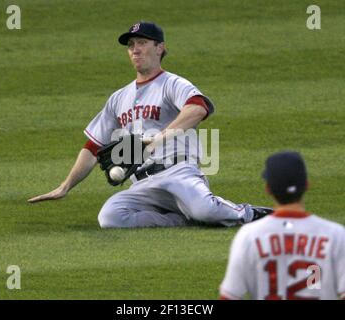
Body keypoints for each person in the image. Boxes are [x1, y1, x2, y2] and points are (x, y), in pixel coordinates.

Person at [28, 21, 272, 228]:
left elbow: (198, 108)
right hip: (143, 184)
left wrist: (158, 139)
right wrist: (65, 186)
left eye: (142, 43)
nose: (135, 50)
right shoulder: (118, 98)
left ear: (160, 48)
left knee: (206, 211)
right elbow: (93, 146)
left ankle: (247, 213)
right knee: (111, 217)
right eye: (131, 46)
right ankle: (182, 220)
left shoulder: (172, 83)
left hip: (179, 173)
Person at [219, 151, 345, 300]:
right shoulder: (335, 234)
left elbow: (230, 296)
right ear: (306, 185)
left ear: (268, 189)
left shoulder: (249, 235)